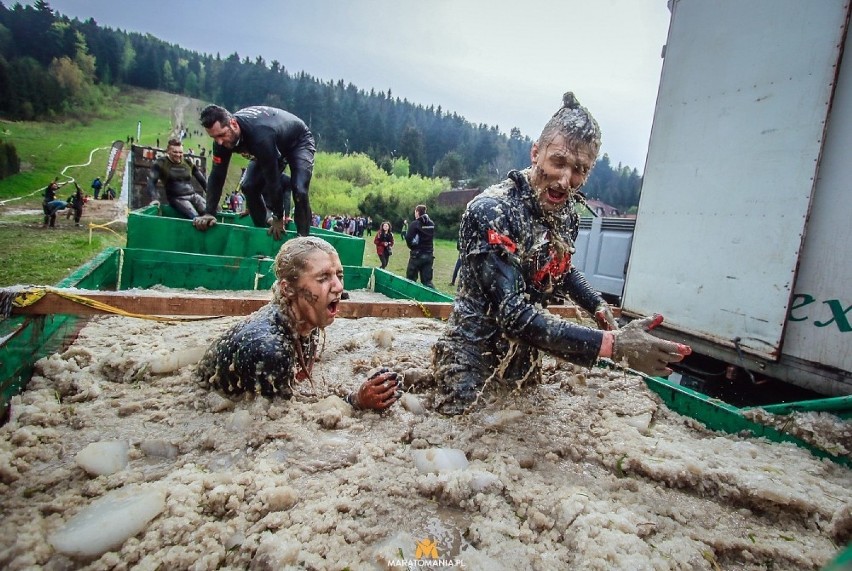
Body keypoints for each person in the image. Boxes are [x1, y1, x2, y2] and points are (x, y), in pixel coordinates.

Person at [431, 92, 691, 415]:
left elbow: (560, 269)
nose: (566, 180)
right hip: (470, 360)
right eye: (559, 162)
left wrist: (597, 307)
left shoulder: (566, 213)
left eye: (580, 169)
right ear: (536, 152)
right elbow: (513, 315)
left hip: (522, 363)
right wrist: (612, 346)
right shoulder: (493, 211)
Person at [194, 236, 399, 410]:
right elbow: (279, 420)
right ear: (288, 289)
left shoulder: (306, 322)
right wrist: (355, 401)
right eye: (323, 278)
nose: (338, 287)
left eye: (339, 275)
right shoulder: (270, 349)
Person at [194, 104, 316, 239]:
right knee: (249, 186)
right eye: (214, 138)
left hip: (298, 142)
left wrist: (278, 216)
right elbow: (217, 175)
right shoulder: (221, 141)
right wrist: (209, 212)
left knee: (299, 189)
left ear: (233, 124)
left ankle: (303, 240)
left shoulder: (260, 136)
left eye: (222, 135)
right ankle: (262, 233)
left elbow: (273, 181)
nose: (220, 142)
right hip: (271, 143)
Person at [144, 138, 208, 220]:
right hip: (177, 198)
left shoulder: (188, 162)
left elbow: (202, 180)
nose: (178, 155)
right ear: (168, 151)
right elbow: (151, 182)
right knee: (196, 218)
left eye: (180, 152)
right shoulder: (161, 163)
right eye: (175, 152)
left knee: (209, 213)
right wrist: (155, 198)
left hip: (193, 195)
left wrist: (211, 197)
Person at [404, 204, 435, 289]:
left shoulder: (415, 224)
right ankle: (432, 300)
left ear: (417, 212)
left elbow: (408, 238)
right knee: (427, 281)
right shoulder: (431, 223)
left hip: (417, 255)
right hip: (429, 254)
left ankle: (409, 298)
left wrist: (412, 247)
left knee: (410, 279)